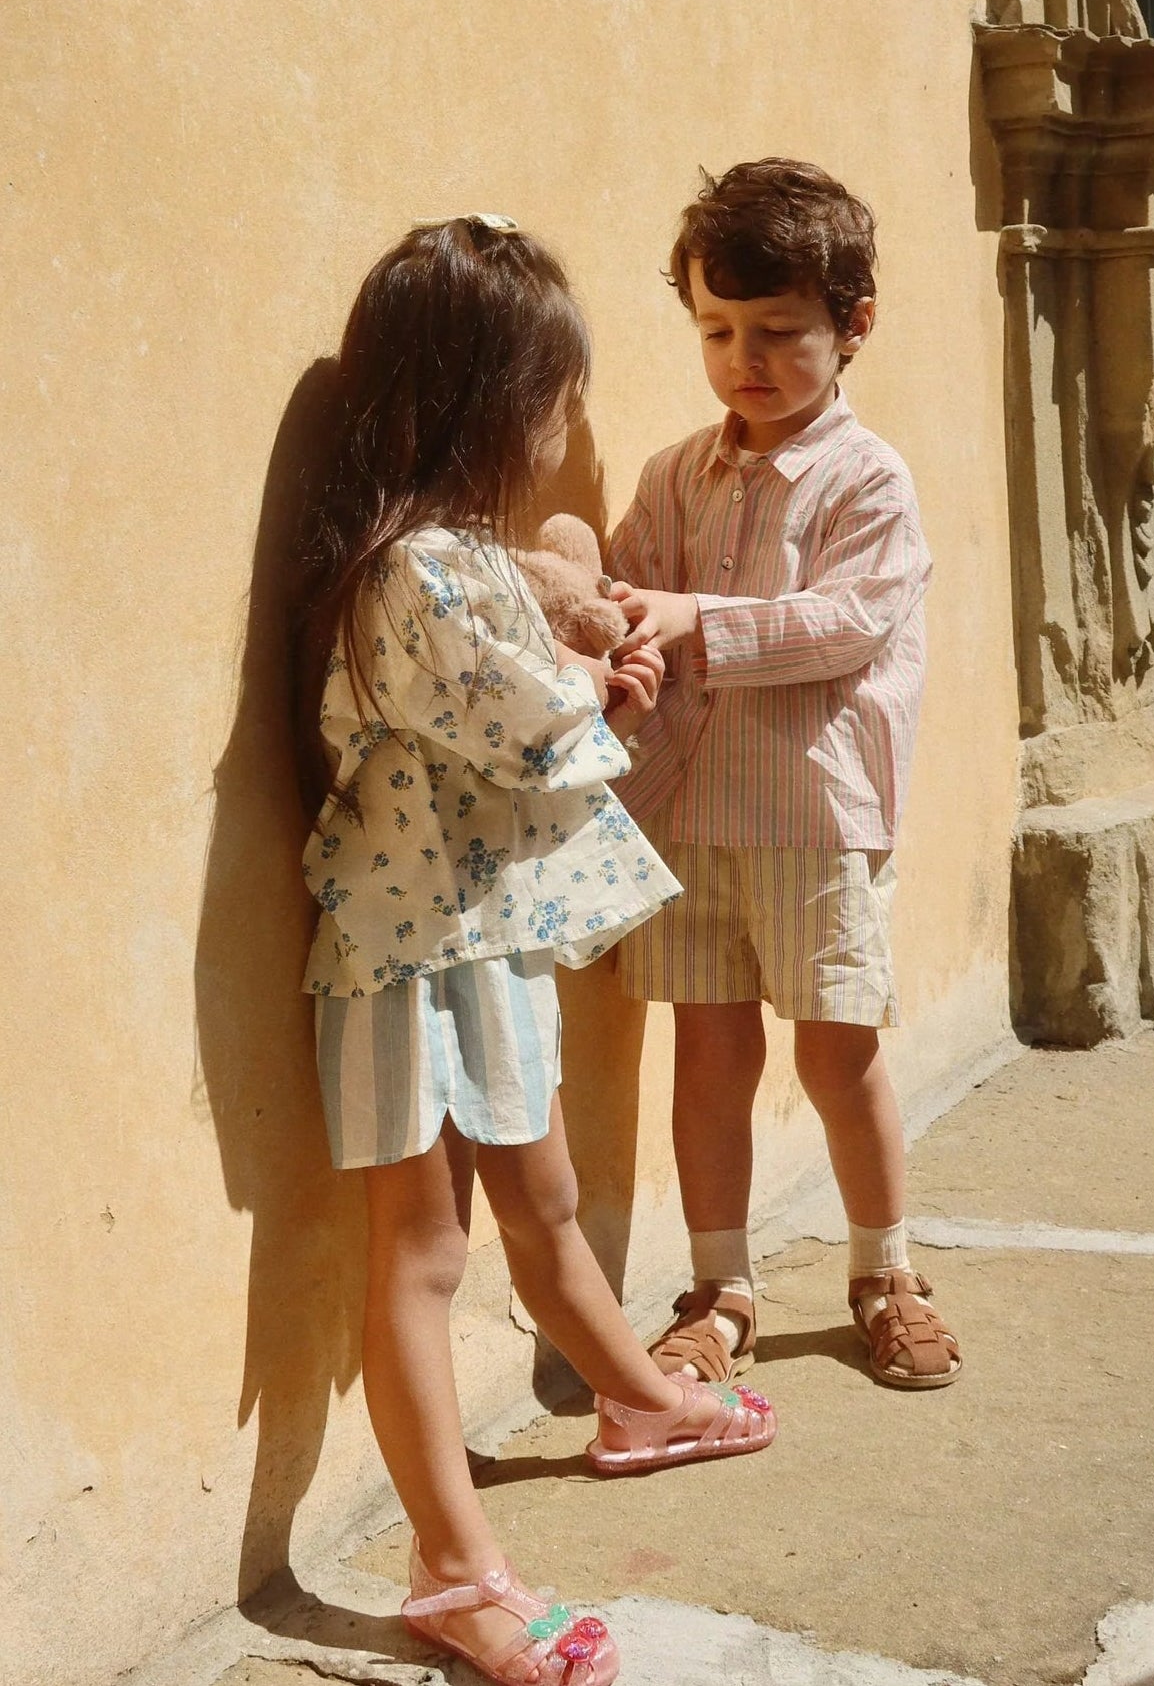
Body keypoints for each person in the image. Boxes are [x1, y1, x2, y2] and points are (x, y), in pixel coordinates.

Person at [293, 215, 777, 1686]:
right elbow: (526, 721)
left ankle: (630, 1399)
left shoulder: (462, 565)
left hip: (481, 932)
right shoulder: (412, 573)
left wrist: (589, 669)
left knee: (546, 1196)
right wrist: (610, 695)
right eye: (555, 393)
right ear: (489, 399)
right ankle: (454, 1574)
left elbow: (533, 683)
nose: (567, 420)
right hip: (405, 955)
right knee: (425, 1250)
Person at [608, 160, 962, 1394]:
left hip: (813, 815)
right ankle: (720, 1287)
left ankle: (885, 1269)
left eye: (776, 332)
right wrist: (618, 645)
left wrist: (687, 617)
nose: (742, 358)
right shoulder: (672, 477)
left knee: (836, 1051)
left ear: (852, 326)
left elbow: (843, 623)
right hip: (691, 815)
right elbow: (626, 598)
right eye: (716, 329)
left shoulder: (871, 480)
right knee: (708, 1050)